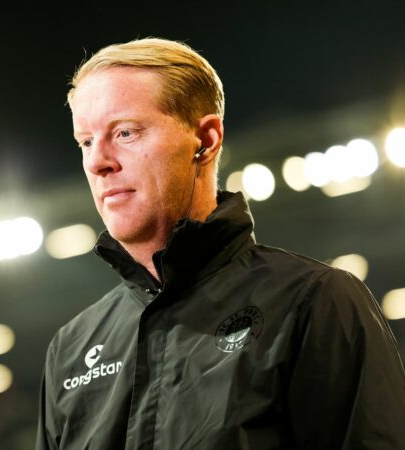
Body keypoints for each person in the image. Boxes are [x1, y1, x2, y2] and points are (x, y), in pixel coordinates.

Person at [36, 38, 405, 449]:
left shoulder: (314, 302)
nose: (97, 162)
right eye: (86, 141)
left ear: (206, 140)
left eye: (125, 132)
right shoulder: (71, 349)